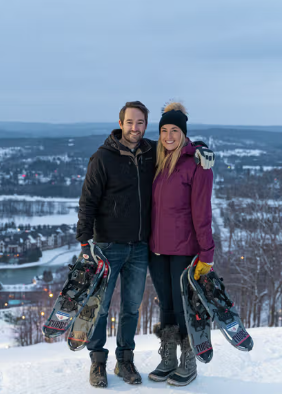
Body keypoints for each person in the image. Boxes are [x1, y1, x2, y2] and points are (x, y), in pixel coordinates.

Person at [76, 101, 214, 388]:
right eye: (130, 122)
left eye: (140, 123)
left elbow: (182, 144)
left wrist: (201, 146)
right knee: (104, 307)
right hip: (116, 245)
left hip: (144, 247)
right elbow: (87, 200)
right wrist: (84, 241)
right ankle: (99, 362)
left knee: (134, 308)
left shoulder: (160, 154)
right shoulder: (107, 158)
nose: (135, 128)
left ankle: (128, 359)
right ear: (120, 123)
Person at [148, 102, 215, 387]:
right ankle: (169, 358)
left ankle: (189, 360)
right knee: (166, 306)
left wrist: (206, 254)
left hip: (184, 248)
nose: (169, 136)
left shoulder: (197, 165)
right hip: (156, 249)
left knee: (184, 306)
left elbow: (202, 212)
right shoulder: (157, 160)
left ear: (184, 133)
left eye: (175, 130)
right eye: (164, 130)